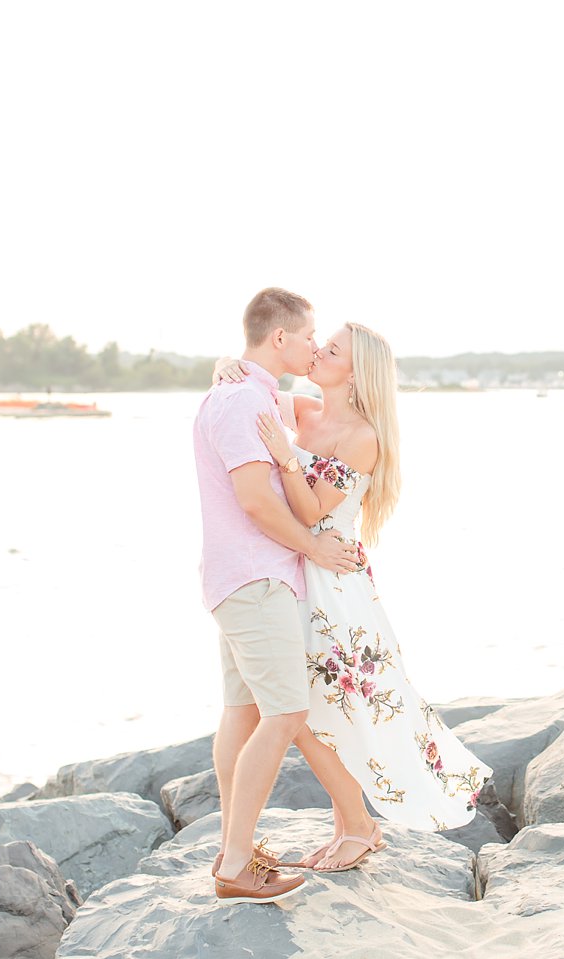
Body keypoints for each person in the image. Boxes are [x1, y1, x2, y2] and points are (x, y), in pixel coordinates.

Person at [213, 323, 491, 873]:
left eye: (332, 350)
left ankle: (359, 825)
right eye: (322, 343)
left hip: (332, 584)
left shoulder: (361, 436)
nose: (318, 352)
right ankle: (350, 825)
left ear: (356, 372)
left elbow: (311, 513)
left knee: (311, 711)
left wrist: (285, 458)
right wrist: (228, 363)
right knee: (307, 708)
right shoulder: (306, 412)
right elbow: (255, 388)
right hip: (300, 568)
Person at [193, 287, 362, 904]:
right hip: (256, 577)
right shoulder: (242, 401)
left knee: (243, 713)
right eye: (310, 335)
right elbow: (256, 500)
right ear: (281, 338)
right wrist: (314, 548)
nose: (316, 345)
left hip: (240, 578)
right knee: (288, 714)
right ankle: (236, 862)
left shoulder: (252, 395)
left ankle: (234, 850)